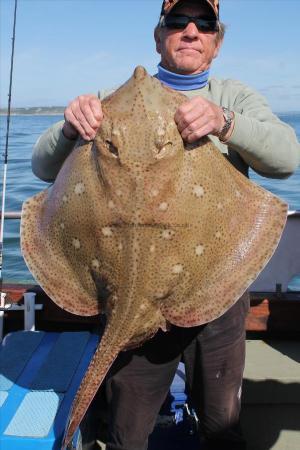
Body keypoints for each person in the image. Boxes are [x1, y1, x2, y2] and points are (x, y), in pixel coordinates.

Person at [32, 1, 300, 449]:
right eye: (177, 22)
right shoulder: (108, 99)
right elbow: (42, 168)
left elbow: (287, 158)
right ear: (159, 36)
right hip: (121, 287)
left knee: (221, 422)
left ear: (217, 41)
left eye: (204, 24)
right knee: (127, 428)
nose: (191, 30)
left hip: (218, 283)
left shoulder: (233, 96)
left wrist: (223, 121)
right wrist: (68, 125)